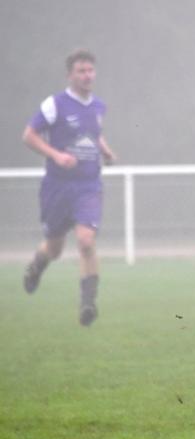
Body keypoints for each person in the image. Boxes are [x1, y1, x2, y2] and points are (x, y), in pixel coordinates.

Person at [22, 49, 117, 327]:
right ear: (70, 75)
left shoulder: (98, 106)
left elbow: (93, 136)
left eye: (90, 70)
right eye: (81, 71)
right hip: (58, 187)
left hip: (88, 185)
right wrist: (55, 155)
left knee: (86, 241)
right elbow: (28, 135)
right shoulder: (55, 104)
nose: (87, 75)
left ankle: (88, 303)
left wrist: (107, 152)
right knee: (54, 248)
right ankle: (37, 266)